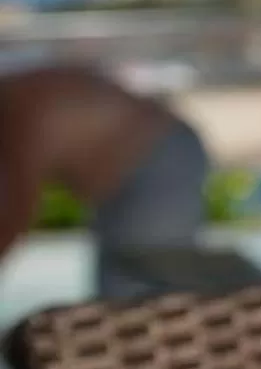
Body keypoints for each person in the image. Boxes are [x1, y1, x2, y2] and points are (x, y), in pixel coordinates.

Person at [0, 66, 214, 299]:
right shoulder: (16, 97)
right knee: (123, 294)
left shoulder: (18, 112)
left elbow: (16, 210)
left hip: (157, 157)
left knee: (141, 296)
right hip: (132, 168)